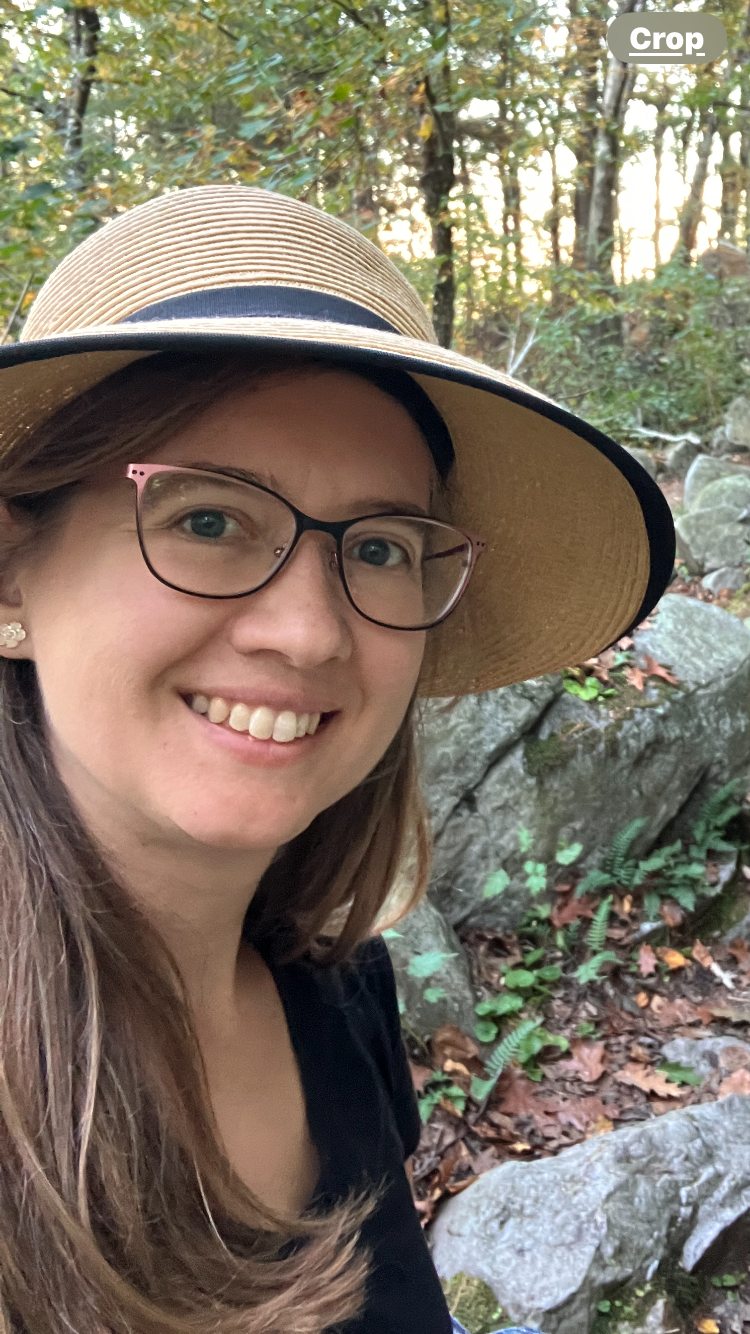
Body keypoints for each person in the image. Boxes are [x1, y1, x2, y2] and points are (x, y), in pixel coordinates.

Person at [0, 185, 674, 1334]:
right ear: (13, 579)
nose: (310, 631)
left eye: (377, 546)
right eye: (207, 519)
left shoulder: (338, 989)